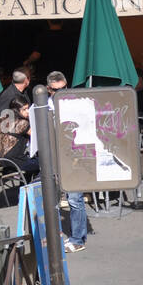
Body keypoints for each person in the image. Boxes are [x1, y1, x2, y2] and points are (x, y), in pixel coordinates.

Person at [46, 72, 88, 253]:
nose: (61, 92)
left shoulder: (75, 104)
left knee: (75, 199)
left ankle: (78, 239)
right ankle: (56, 236)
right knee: (52, 199)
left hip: (73, 157)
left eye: (64, 88)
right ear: (49, 89)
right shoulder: (43, 106)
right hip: (53, 158)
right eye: (57, 90)